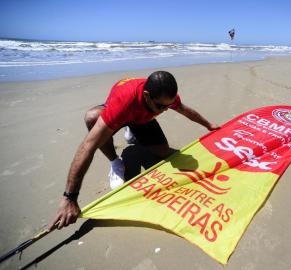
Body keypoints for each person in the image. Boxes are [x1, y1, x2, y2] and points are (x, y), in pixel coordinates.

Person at [48, 71, 219, 230]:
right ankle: (115, 162)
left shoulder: (164, 96)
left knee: (162, 152)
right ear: (146, 96)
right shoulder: (122, 104)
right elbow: (88, 145)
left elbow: (184, 110)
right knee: (92, 118)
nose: (166, 110)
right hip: (124, 111)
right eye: (161, 107)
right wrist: (70, 197)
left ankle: (132, 130)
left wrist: (209, 125)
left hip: (141, 118)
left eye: (169, 105)